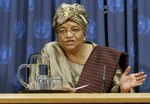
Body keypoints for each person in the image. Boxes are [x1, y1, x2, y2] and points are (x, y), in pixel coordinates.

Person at [41, 3, 147, 93]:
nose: (68, 35)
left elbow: (117, 94)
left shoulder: (104, 57)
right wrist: (55, 89)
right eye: (62, 31)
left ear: (84, 33)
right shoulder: (51, 50)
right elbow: (36, 85)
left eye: (75, 29)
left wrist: (122, 89)